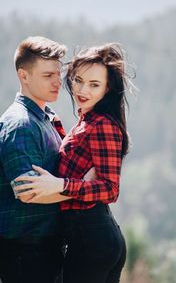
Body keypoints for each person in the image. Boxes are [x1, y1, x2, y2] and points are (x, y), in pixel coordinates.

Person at [15, 43, 134, 283]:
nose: (82, 90)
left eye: (94, 85)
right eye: (78, 80)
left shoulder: (103, 124)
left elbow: (110, 189)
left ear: (108, 88)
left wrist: (61, 185)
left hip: (92, 238)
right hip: (90, 238)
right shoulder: (85, 121)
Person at [0, 36, 67, 283]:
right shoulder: (21, 124)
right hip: (26, 254)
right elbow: (28, 192)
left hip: (44, 250)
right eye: (48, 75)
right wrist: (81, 188)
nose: (57, 82)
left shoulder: (45, 116)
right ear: (23, 76)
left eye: (58, 74)